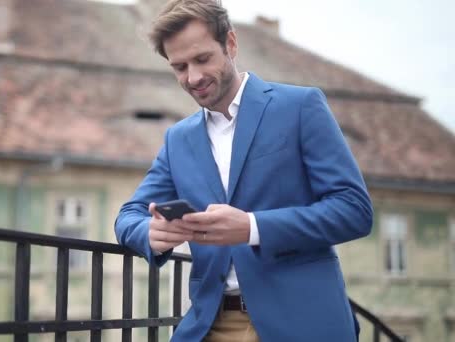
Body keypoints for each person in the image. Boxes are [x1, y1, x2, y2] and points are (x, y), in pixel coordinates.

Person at [114, 0, 372, 341]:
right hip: (212, 324)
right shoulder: (178, 139)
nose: (193, 77)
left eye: (203, 59)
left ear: (230, 44)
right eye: (179, 67)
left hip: (302, 323)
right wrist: (148, 233)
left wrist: (252, 227)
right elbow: (128, 216)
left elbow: (354, 210)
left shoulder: (300, 107)